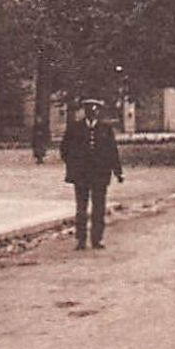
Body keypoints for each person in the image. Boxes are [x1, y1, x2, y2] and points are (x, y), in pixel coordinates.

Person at [60, 98, 123, 250]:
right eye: (88, 110)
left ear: (98, 112)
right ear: (85, 111)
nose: (91, 113)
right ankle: (81, 239)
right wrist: (73, 165)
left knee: (99, 208)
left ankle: (97, 239)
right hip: (81, 175)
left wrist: (117, 172)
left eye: (94, 111)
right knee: (81, 208)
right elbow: (65, 149)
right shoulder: (75, 129)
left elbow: (112, 152)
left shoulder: (105, 129)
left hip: (100, 174)